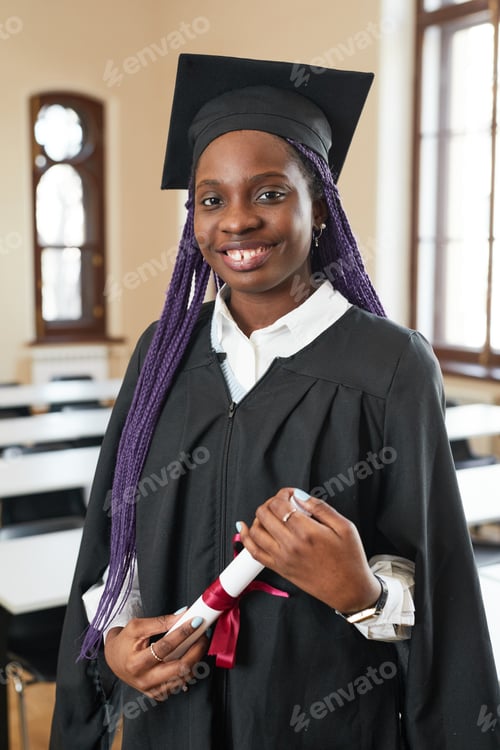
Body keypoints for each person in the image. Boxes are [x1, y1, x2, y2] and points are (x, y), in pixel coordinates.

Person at [50, 54, 500, 750]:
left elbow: (440, 587)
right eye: (210, 199)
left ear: (318, 203)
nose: (236, 222)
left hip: (324, 721)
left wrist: (363, 594)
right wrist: (114, 639)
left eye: (268, 194)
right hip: (171, 720)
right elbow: (119, 544)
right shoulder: (163, 353)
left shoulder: (388, 364)